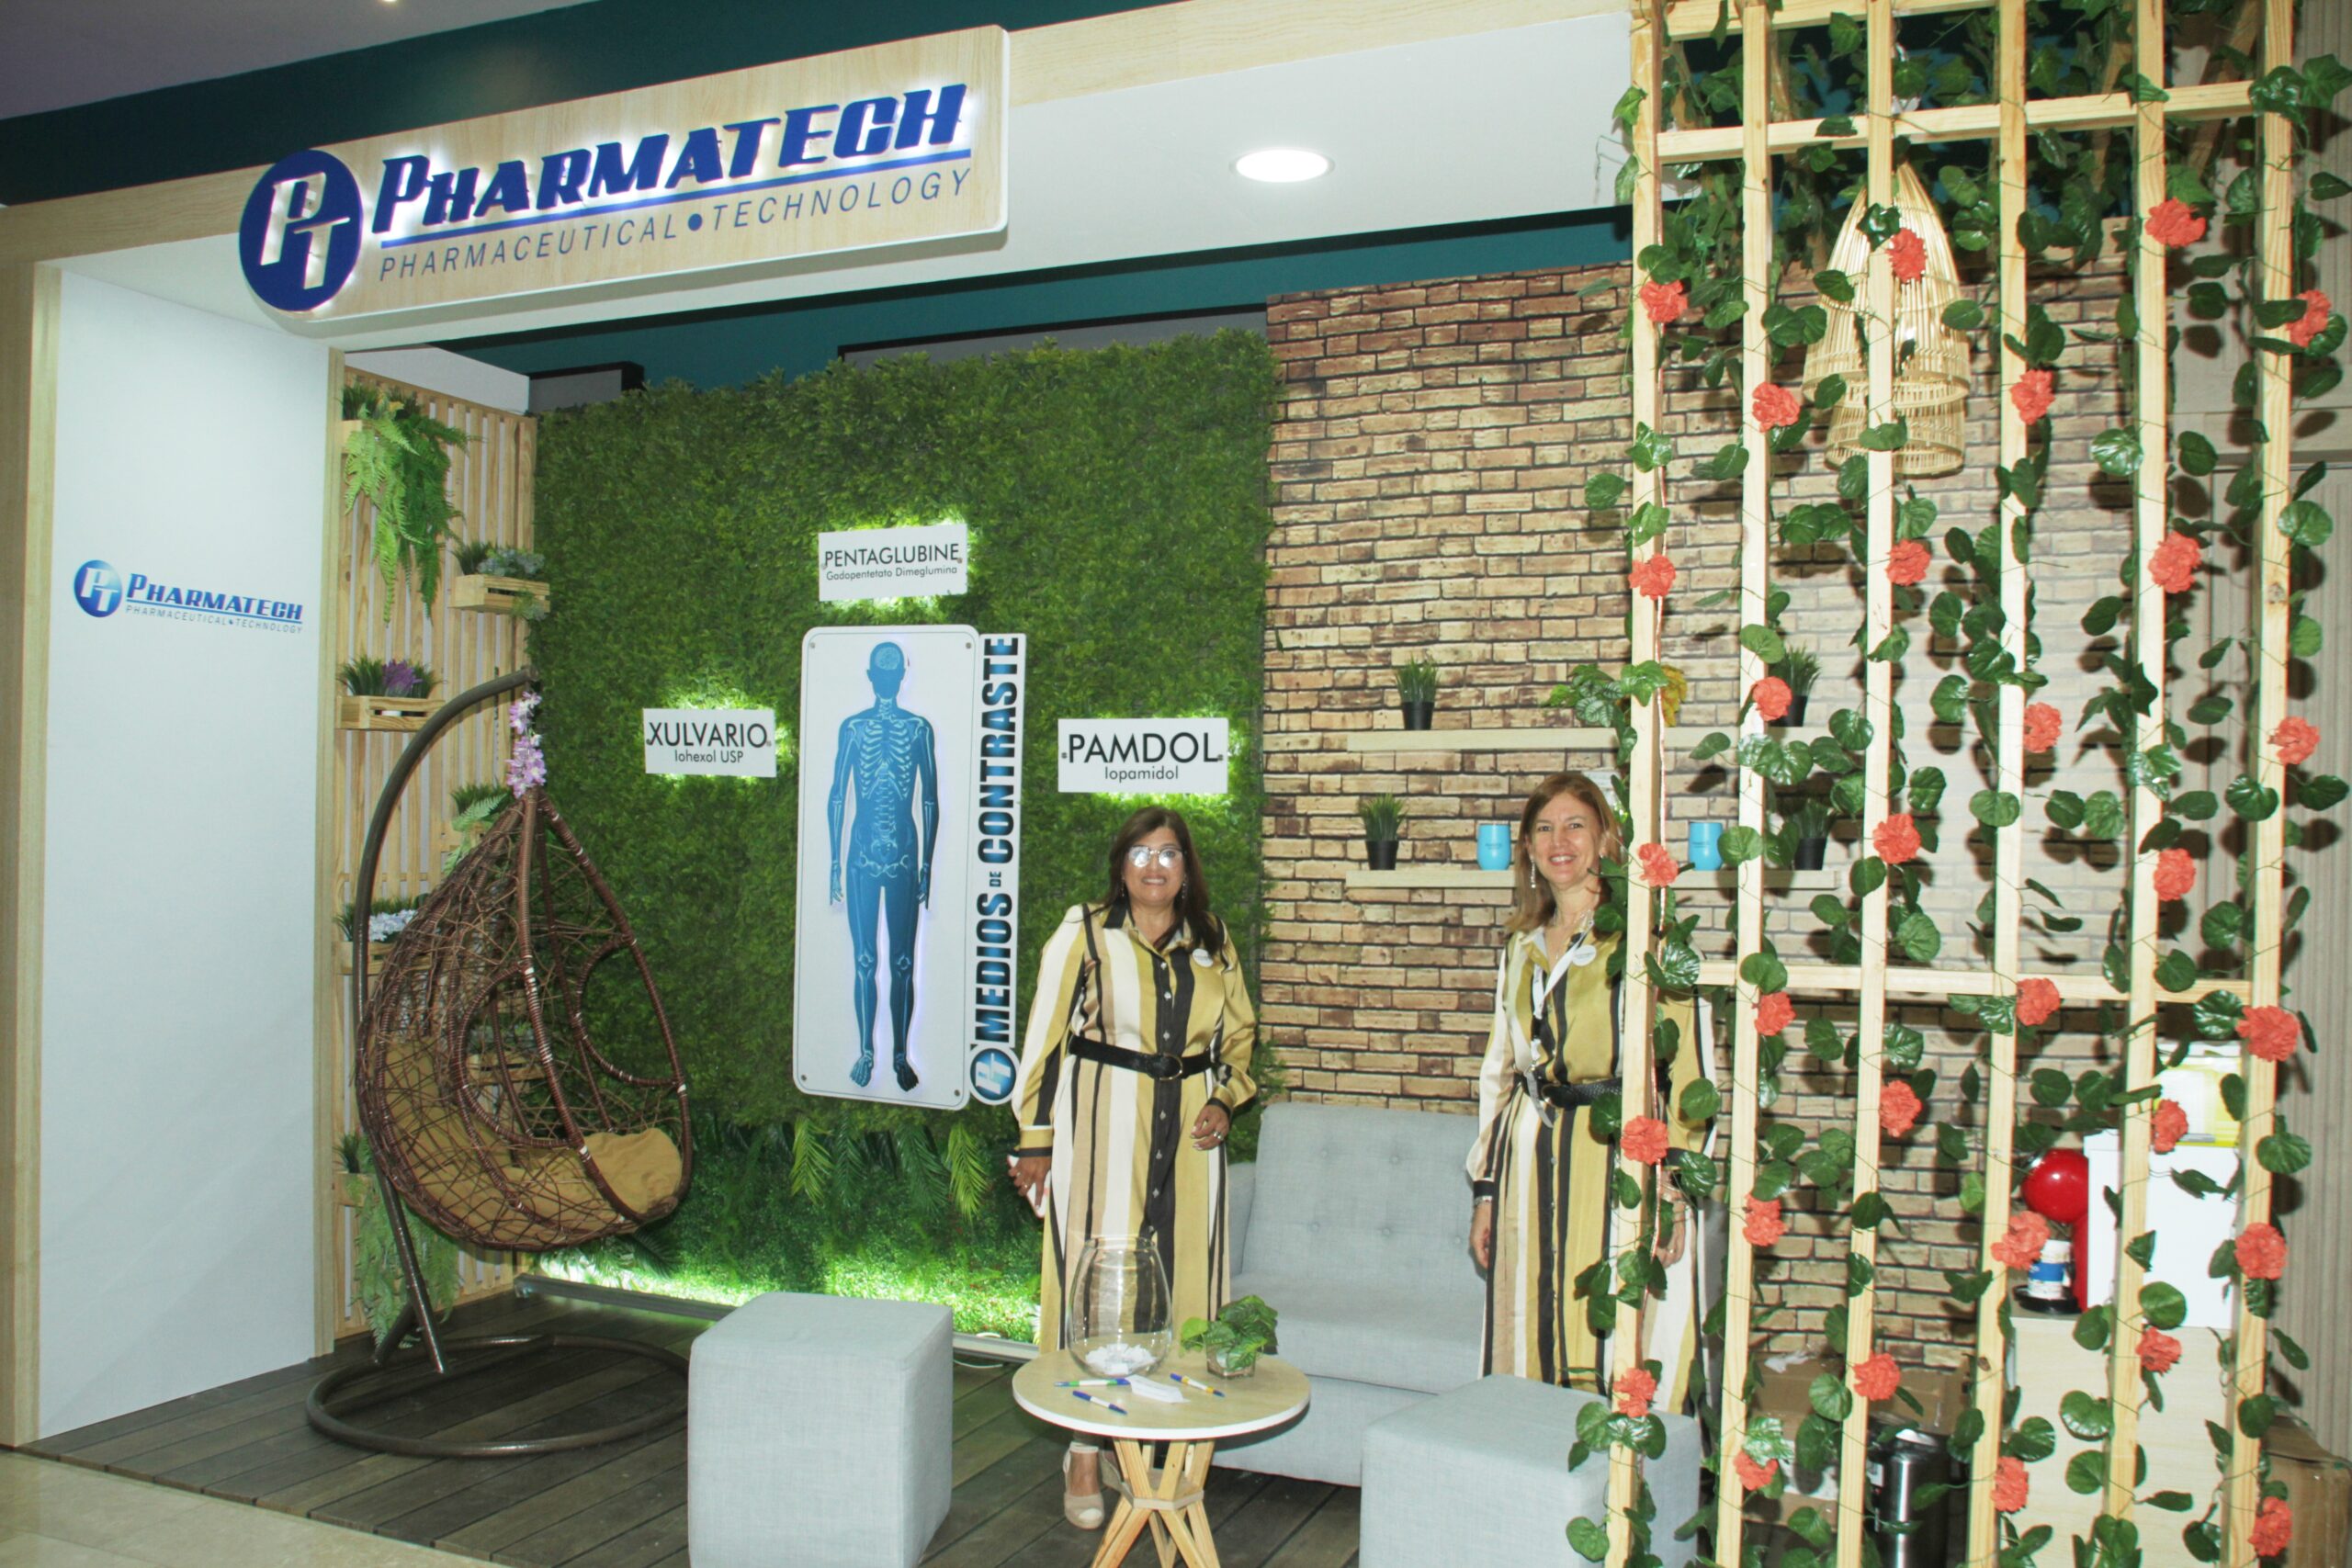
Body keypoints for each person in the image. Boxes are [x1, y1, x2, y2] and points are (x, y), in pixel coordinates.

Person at [1008, 807, 1258, 1531]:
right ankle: (1085, 1451)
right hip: (1101, 1131)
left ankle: (1160, 1445)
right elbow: (1044, 1040)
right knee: (1097, 1287)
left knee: (1186, 1284)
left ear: (1187, 867)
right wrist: (1035, 1140)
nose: (1155, 865)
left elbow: (1240, 1036)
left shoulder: (1213, 940)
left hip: (1192, 1140)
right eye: (1141, 852)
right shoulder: (1084, 933)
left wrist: (1225, 1098)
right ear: (1121, 866)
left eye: (1169, 852)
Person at [1466, 771, 1712, 1404]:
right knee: (1531, 1325)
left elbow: (1687, 1072)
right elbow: (1499, 1073)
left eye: (1575, 825)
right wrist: (1485, 1192)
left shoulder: (1646, 937)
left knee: (1618, 1331)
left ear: (1604, 838)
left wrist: (1674, 1188)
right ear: (1527, 848)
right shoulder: (1519, 948)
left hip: (1618, 1158)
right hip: (1527, 1163)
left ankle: (1621, 1462)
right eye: (1544, 829)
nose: (1560, 842)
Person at [826, 639, 940, 1092]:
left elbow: (930, 799)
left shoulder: (918, 730)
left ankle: (899, 1054)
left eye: (893, 675)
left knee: (903, 961)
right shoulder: (853, 728)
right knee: (865, 959)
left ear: (897, 677)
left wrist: (927, 863)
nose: (888, 681)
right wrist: (834, 863)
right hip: (861, 855)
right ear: (873, 678)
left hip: (904, 856)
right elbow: (838, 795)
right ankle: (866, 1051)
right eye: (883, 675)